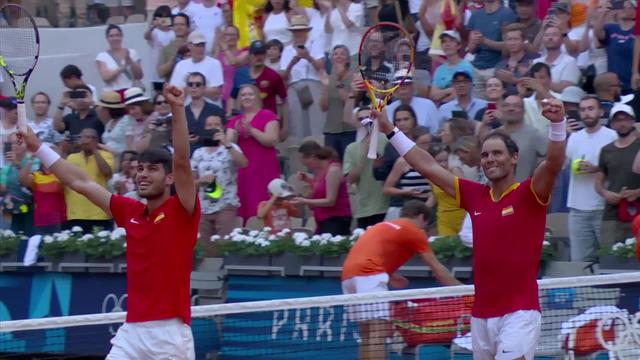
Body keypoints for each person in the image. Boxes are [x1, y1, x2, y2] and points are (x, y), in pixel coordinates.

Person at [373, 93, 567, 360]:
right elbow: (427, 165)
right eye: (485, 154)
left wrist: (558, 125)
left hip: (519, 312)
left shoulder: (530, 193)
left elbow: (554, 163)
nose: (490, 159)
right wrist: (390, 130)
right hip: (481, 315)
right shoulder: (474, 195)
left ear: (514, 158)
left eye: (497, 153)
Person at [20, 84, 199, 359]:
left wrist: (177, 109)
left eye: (152, 169)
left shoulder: (183, 211)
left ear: (169, 178)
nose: (143, 175)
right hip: (131, 333)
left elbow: (183, 161)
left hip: (169, 336)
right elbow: (80, 182)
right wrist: (38, 147)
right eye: (140, 169)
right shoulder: (130, 211)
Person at [341, 200, 462, 360]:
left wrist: (391, 276)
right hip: (369, 275)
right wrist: (463, 291)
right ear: (421, 217)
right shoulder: (413, 231)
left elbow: (371, 253)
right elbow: (436, 267)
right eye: (425, 225)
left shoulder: (382, 226)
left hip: (348, 277)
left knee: (367, 334)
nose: (424, 229)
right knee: (379, 331)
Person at [566, 95, 618, 262]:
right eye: (583, 110)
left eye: (591, 108)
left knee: (610, 260)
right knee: (580, 262)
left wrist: (597, 168)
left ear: (600, 112)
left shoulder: (612, 136)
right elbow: (562, 164)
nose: (586, 113)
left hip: (604, 209)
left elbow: (620, 169)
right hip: (577, 209)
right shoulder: (574, 138)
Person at [192, 115, 248, 255]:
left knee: (224, 246)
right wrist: (200, 181)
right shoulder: (198, 152)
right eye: (209, 125)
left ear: (222, 128)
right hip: (203, 206)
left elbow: (244, 163)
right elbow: (189, 183)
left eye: (216, 125)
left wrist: (227, 144)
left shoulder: (231, 148)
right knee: (204, 249)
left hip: (225, 204)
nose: (212, 128)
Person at [226, 84, 281, 222]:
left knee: (262, 200)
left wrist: (252, 131)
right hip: (243, 170)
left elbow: (272, 139)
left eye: (250, 94)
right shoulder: (234, 121)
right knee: (244, 202)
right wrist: (235, 134)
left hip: (264, 168)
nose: (246, 97)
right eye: (243, 95)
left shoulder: (268, 115)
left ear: (257, 97)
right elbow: (227, 144)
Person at [595, 103, 640, 250]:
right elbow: (598, 182)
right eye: (618, 120)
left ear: (633, 121)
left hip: (637, 211)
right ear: (612, 124)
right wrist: (605, 193)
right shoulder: (606, 150)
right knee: (608, 258)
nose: (622, 123)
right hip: (612, 213)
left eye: (626, 119)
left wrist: (637, 192)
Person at [280, 14, 326, 140]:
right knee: (297, 124)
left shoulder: (315, 43)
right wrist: (292, 63)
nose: (298, 33)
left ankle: (318, 148)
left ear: (306, 31)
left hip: (313, 83)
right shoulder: (287, 49)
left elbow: (320, 66)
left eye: (300, 30)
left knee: (316, 123)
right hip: (294, 86)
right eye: (296, 31)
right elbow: (283, 75)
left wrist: (308, 57)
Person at [292, 140, 352, 235]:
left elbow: (330, 200)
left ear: (312, 157)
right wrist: (307, 180)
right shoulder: (319, 171)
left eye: (306, 164)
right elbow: (321, 188)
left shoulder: (333, 170)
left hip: (335, 219)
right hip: (322, 219)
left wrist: (304, 201)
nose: (307, 167)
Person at [63, 128, 115, 233]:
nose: (88, 140)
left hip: (99, 214)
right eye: (85, 137)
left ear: (97, 141)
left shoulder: (106, 155)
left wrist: (95, 150)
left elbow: (106, 172)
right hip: (75, 214)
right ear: (80, 139)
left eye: (92, 138)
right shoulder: (71, 158)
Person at [465, 0, 516, 98]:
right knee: (479, 107)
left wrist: (484, 41)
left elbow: (510, 45)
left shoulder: (506, 13)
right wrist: (474, 43)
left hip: (496, 68)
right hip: (477, 68)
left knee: (495, 106)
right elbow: (471, 49)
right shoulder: (476, 15)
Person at [383, 127, 432, 220]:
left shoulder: (432, 159)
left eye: (429, 143)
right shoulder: (403, 162)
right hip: (408, 207)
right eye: (423, 144)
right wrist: (406, 192)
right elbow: (387, 189)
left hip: (428, 206)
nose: (427, 147)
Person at [344, 131, 389, 229]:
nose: (364, 122)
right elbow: (350, 180)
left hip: (387, 206)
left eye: (369, 118)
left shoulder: (387, 140)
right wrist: (362, 157)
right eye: (361, 119)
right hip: (364, 209)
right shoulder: (351, 148)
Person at [320, 44, 356, 160]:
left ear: (348, 59)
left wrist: (340, 83)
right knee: (331, 165)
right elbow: (323, 107)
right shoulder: (327, 79)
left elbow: (351, 103)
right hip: (331, 131)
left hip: (349, 130)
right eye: (335, 54)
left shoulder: (355, 78)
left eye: (342, 54)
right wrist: (325, 87)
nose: (338, 56)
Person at [1, 133, 40, 236]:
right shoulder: (7, 165)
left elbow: (27, 183)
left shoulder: (34, 161)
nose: (15, 145)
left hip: (31, 209)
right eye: (12, 143)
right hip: (13, 210)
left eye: (19, 142)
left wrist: (17, 164)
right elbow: (3, 188)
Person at [170, 31, 224, 105]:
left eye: (202, 45)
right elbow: (174, 94)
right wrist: (200, 88)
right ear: (189, 46)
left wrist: (190, 87)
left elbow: (216, 94)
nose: (200, 48)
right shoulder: (180, 65)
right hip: (187, 111)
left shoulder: (214, 63)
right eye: (197, 45)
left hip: (210, 111)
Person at [594, 0, 635, 93]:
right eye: (621, 5)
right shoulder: (611, 28)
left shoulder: (637, 31)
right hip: (613, 86)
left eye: (628, 5)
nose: (623, 8)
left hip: (633, 82)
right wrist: (604, 13)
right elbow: (598, 33)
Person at [428, 143, 466, 236]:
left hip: (461, 217)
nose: (444, 164)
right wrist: (420, 210)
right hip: (444, 220)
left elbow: (466, 194)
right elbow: (434, 196)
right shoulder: (430, 176)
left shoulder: (455, 171)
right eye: (439, 161)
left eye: (445, 160)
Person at [184, 72, 226, 153]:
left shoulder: (216, 110)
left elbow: (223, 134)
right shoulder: (181, 113)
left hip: (211, 156)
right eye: (190, 84)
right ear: (187, 88)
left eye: (198, 84)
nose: (194, 87)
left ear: (204, 87)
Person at [532, 26, 581, 93]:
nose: (550, 38)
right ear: (543, 40)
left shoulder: (570, 61)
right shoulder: (536, 62)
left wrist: (543, 80)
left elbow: (565, 89)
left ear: (562, 40)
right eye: (546, 35)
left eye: (554, 35)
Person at [96, 24, 143, 92]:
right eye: (111, 36)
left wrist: (130, 61)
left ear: (121, 36)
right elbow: (106, 78)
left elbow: (139, 76)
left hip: (132, 92)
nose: (115, 38)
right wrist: (121, 68)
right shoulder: (102, 56)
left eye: (117, 35)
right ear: (107, 38)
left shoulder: (132, 52)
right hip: (113, 94)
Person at [431, 31, 474, 103]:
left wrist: (442, 94)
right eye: (444, 41)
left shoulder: (467, 66)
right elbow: (433, 95)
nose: (447, 44)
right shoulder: (439, 70)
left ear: (458, 46)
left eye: (451, 41)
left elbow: (462, 93)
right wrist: (449, 90)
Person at [214, 25, 249, 106]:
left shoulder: (244, 53)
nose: (230, 37)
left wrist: (224, 48)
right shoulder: (219, 55)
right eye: (227, 34)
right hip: (220, 97)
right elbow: (213, 68)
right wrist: (217, 44)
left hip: (237, 96)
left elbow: (234, 63)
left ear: (238, 37)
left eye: (233, 35)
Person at [144, 5, 176, 84]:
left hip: (170, 70)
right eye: (160, 17)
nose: (163, 20)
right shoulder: (154, 32)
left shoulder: (173, 33)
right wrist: (153, 26)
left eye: (165, 18)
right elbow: (146, 36)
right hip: (156, 73)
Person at [157, 12, 191, 82]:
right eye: (176, 25)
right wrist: (176, 54)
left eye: (182, 24)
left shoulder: (195, 46)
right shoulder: (166, 49)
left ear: (188, 28)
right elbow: (160, 73)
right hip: (173, 89)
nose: (178, 27)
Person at [99, 90, 131, 157]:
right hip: (107, 157)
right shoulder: (109, 123)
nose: (101, 110)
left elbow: (129, 145)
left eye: (103, 108)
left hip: (121, 157)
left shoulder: (126, 120)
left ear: (108, 109)